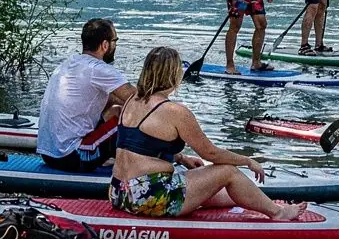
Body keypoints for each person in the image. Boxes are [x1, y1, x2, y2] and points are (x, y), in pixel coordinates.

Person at [110, 46, 320, 221]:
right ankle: (278, 213)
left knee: (219, 192)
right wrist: (247, 161)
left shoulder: (131, 101)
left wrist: (181, 158)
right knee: (228, 171)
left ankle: (260, 201)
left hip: (119, 192)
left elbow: (138, 144)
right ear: (174, 74)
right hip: (148, 196)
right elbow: (210, 153)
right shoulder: (174, 111)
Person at [38, 19, 135, 171]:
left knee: (117, 110)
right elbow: (141, 101)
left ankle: (117, 159)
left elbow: (111, 99)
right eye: (115, 41)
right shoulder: (99, 69)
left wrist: (121, 103)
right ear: (105, 45)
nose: (115, 45)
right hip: (72, 157)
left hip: (48, 155)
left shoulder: (68, 64)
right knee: (125, 118)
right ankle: (144, 164)